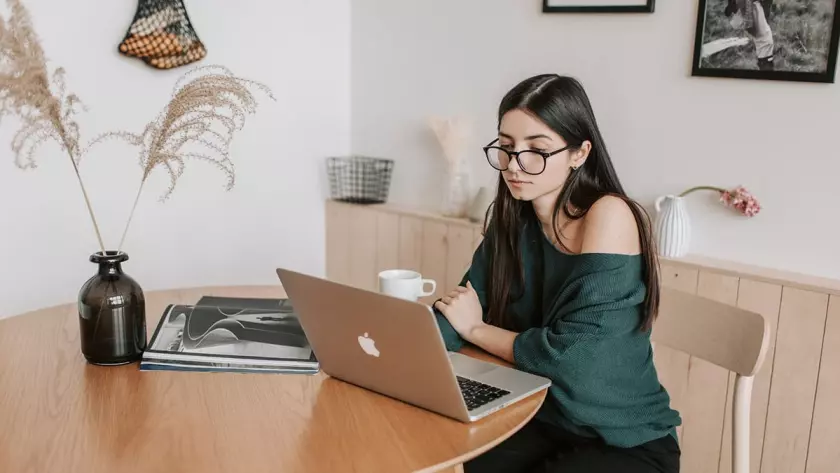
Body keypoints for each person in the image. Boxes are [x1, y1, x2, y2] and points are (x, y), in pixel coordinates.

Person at [432, 74, 681, 473]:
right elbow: (460, 309)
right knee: (447, 451)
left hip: (621, 440)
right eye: (507, 147)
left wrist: (477, 331)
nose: (514, 165)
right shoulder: (512, 221)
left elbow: (574, 360)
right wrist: (404, 348)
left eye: (537, 150)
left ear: (579, 153)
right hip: (539, 419)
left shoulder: (609, 214)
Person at [725, 0, 775, 70]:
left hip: (749, 5)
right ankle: (765, 69)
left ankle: (765, 66)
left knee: (764, 41)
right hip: (750, 4)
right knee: (765, 41)